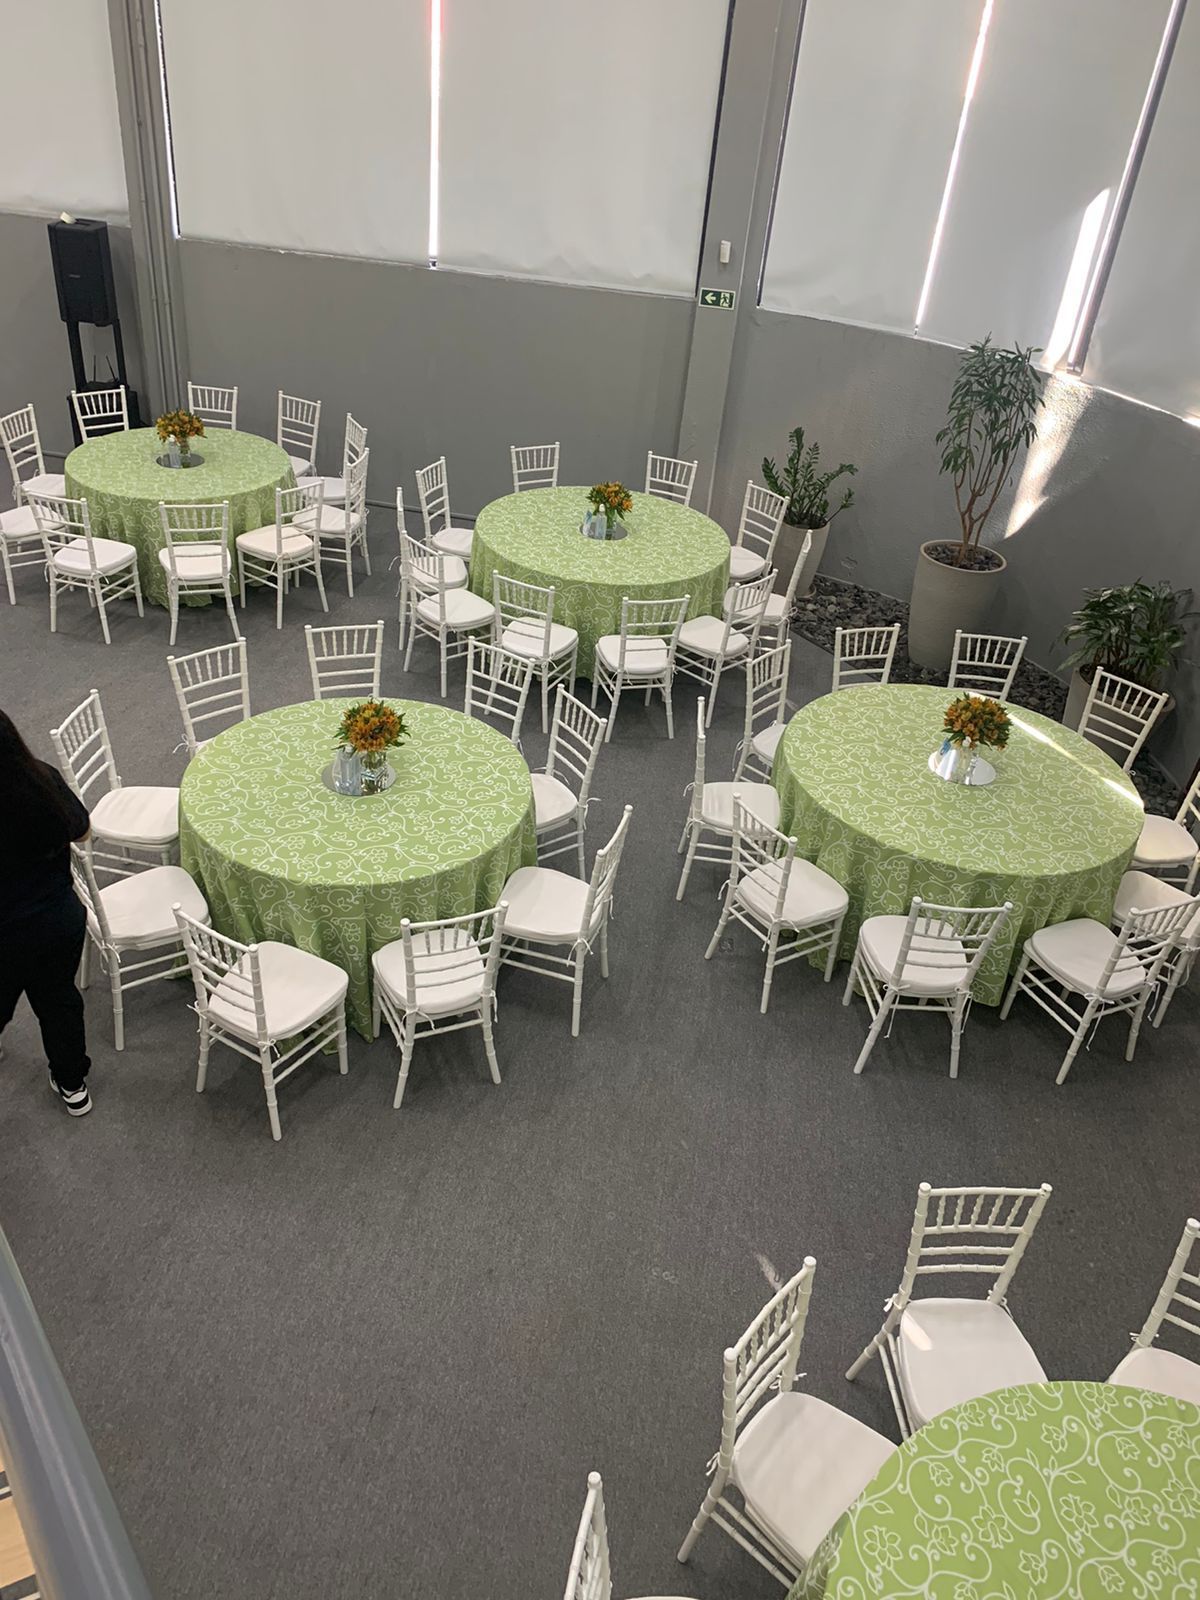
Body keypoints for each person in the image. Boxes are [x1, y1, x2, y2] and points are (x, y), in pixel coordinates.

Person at [0, 710, 94, 1115]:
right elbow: (83, 831)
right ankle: (73, 1085)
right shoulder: (42, 778)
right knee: (58, 1001)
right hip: (58, 920)